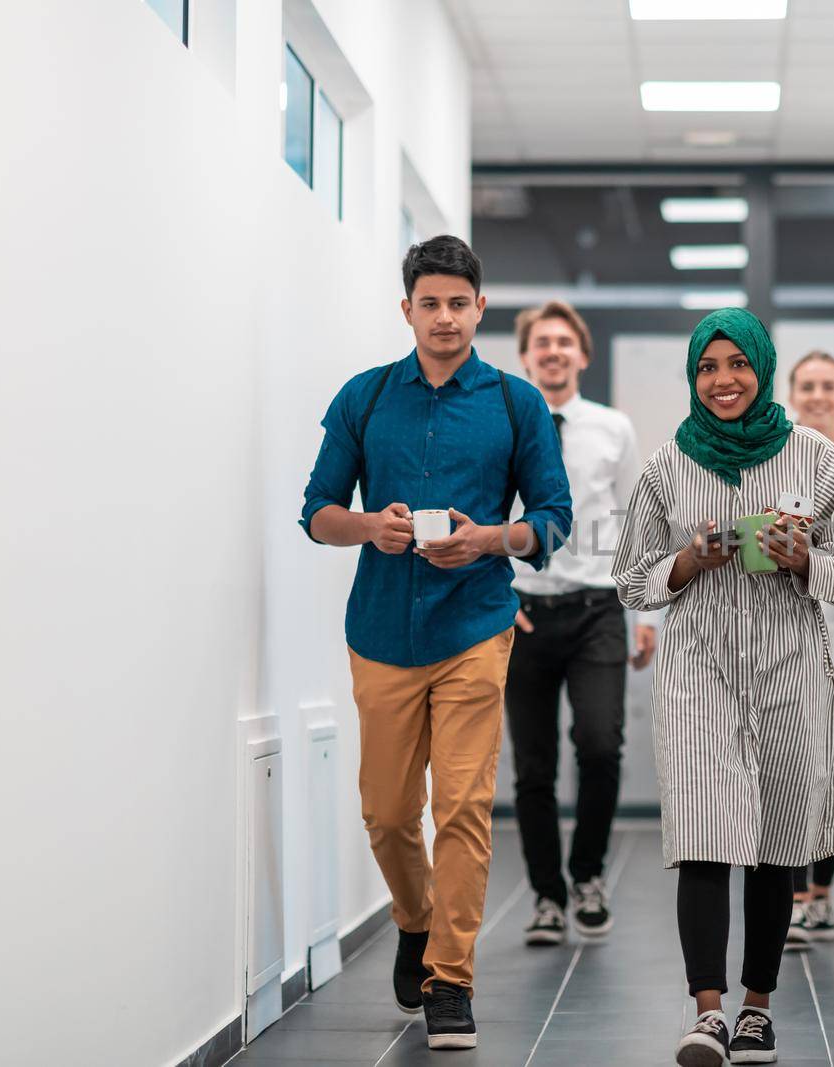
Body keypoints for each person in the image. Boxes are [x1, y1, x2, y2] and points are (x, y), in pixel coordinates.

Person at [298, 236, 573, 1051]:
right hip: (381, 631)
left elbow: (552, 518)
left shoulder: (516, 403)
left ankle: (450, 978)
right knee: (386, 813)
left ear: (479, 308)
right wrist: (367, 526)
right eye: (430, 303)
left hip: (474, 627)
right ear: (407, 309)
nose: (445, 316)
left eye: (459, 302)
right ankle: (415, 922)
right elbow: (316, 510)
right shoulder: (366, 396)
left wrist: (489, 539)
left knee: (460, 807)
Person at [611, 309, 834, 1067]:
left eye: (737, 364)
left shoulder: (819, 459)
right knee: (703, 830)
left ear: (762, 367)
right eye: (707, 367)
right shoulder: (666, 465)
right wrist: (688, 563)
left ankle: (758, 1008)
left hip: (791, 666)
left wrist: (802, 561)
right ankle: (708, 1012)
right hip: (700, 667)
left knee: (774, 839)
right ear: (693, 376)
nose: (723, 379)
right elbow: (630, 579)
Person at [504, 299, 659, 946]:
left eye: (565, 342)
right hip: (523, 612)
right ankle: (546, 895)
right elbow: (479, 509)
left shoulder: (612, 427)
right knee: (533, 765)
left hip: (598, 607)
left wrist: (645, 610)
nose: (554, 351)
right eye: (542, 342)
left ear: (582, 354)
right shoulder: (502, 419)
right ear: (526, 355)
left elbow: (635, 518)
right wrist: (496, 595)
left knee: (599, 744)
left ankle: (587, 874)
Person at [781, 351, 834, 950]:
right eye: (806, 386)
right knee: (792, 764)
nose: (817, 395)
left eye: (827, 386)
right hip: (789, 637)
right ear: (791, 392)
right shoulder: (781, 462)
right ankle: (795, 893)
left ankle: (821, 894)